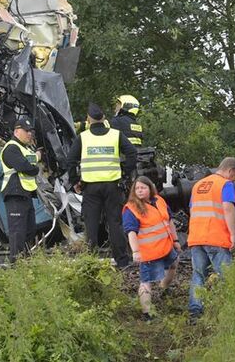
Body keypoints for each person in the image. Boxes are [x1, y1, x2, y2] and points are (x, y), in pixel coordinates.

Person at [65, 102, 137, 268]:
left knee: (91, 224)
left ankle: (91, 262)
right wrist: (124, 172)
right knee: (115, 223)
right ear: (104, 118)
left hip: (90, 188)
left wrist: (75, 180)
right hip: (113, 186)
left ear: (88, 120)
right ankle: (123, 262)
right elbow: (132, 153)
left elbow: (70, 161)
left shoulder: (83, 137)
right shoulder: (116, 135)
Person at [187, 157, 235, 318]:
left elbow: (193, 210)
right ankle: (233, 311)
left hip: (197, 237)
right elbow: (228, 209)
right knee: (228, 276)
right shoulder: (225, 184)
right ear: (230, 170)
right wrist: (233, 235)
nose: (234, 179)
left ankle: (195, 312)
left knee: (198, 275)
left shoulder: (198, 185)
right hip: (216, 237)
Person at [123, 176, 181, 321]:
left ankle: (164, 288)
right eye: (137, 188)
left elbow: (169, 221)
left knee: (174, 264)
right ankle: (147, 313)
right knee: (146, 281)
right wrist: (136, 252)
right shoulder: (132, 208)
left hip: (166, 246)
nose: (139, 191)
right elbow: (131, 233)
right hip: (149, 252)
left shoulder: (159, 200)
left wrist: (175, 240)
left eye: (143, 187)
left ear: (150, 188)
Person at [0, 116, 41, 263]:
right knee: (17, 232)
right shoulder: (11, 148)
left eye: (31, 132)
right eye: (27, 131)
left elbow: (30, 163)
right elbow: (24, 166)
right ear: (17, 131)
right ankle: (16, 264)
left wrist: (34, 163)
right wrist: (34, 169)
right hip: (15, 193)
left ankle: (25, 261)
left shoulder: (25, 148)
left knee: (29, 231)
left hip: (25, 194)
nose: (30, 134)